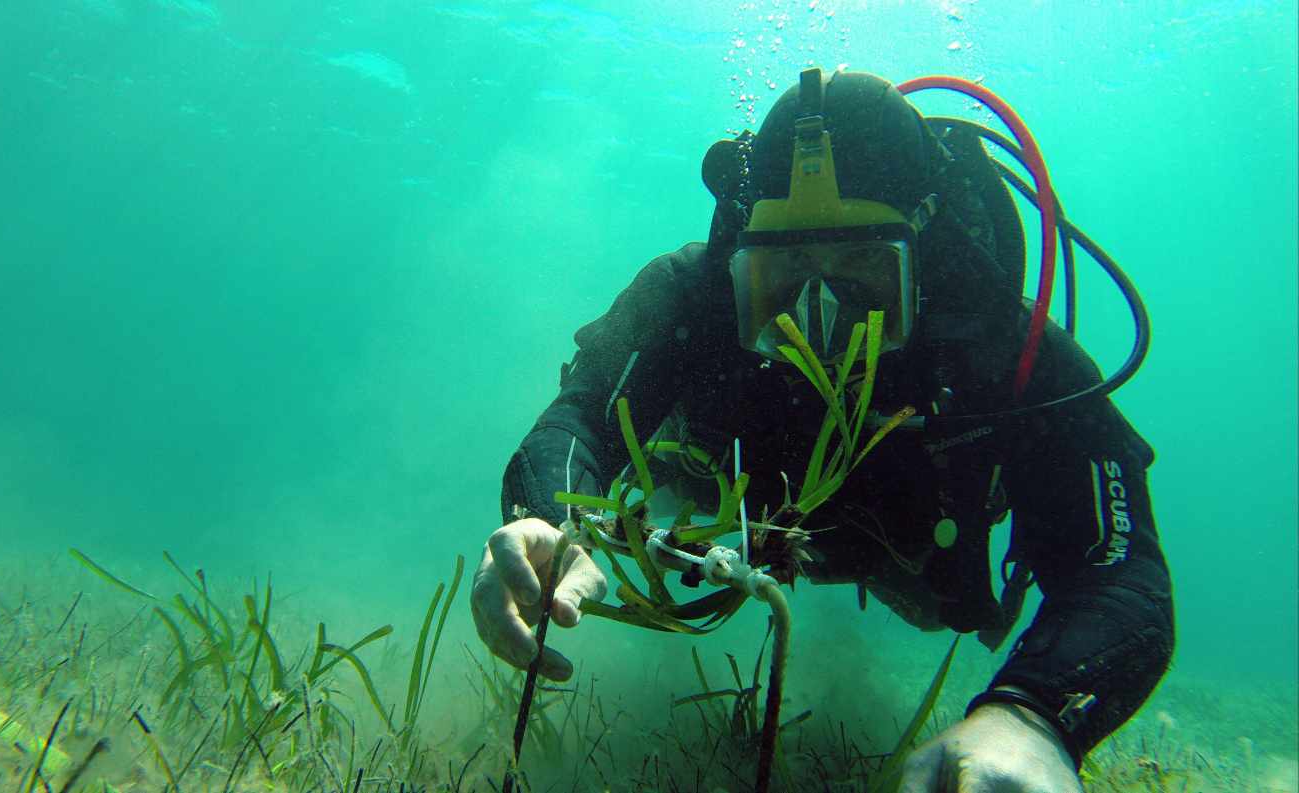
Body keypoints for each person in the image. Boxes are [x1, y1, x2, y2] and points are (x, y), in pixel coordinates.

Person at [470, 68, 1173, 793]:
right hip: (731, 504)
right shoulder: (692, 295)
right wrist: (548, 521)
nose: (818, 315)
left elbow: (1118, 567)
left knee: (935, 605)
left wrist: (1033, 716)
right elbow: (582, 412)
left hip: (912, 555)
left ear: (926, 263)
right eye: (785, 275)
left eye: (864, 270)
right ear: (743, 260)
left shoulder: (1001, 346)